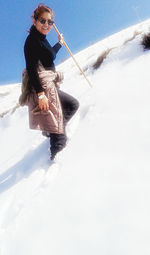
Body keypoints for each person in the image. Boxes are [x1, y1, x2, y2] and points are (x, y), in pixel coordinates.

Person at [22, 4, 79, 160]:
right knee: (70, 106)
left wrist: (60, 43)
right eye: (43, 20)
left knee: (70, 105)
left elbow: (50, 55)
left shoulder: (42, 40)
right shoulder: (32, 40)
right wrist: (41, 94)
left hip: (50, 84)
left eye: (50, 22)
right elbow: (32, 69)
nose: (46, 25)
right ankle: (56, 156)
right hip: (44, 87)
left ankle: (51, 130)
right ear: (34, 20)